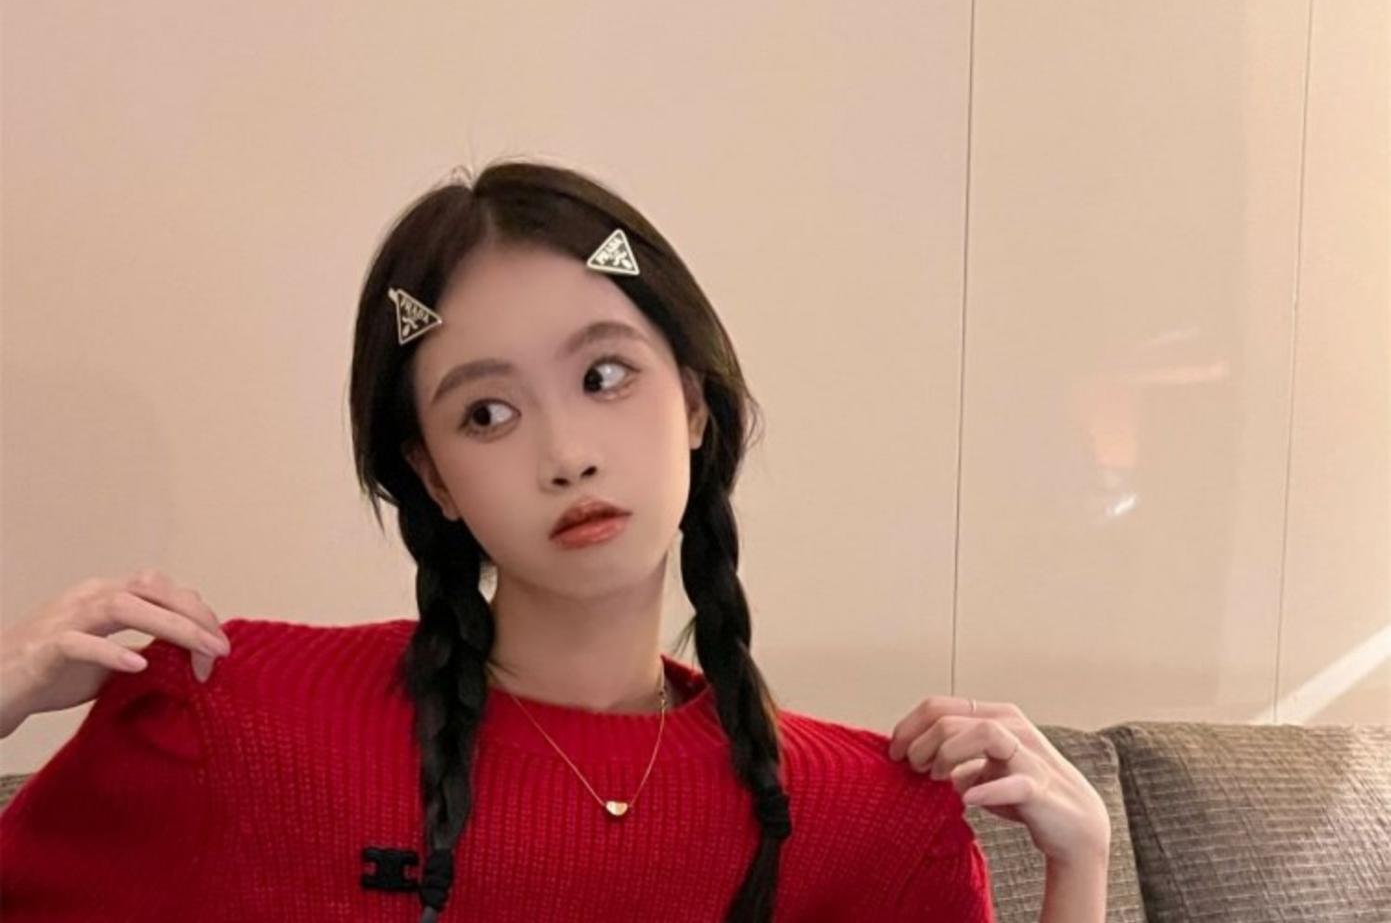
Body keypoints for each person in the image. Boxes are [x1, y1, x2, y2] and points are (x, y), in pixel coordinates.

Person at [0, 159, 1112, 920]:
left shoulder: (862, 819)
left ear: (692, 401)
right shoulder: (238, 719)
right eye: (487, 412)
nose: (566, 453)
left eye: (604, 374)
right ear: (432, 475)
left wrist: (1080, 873)